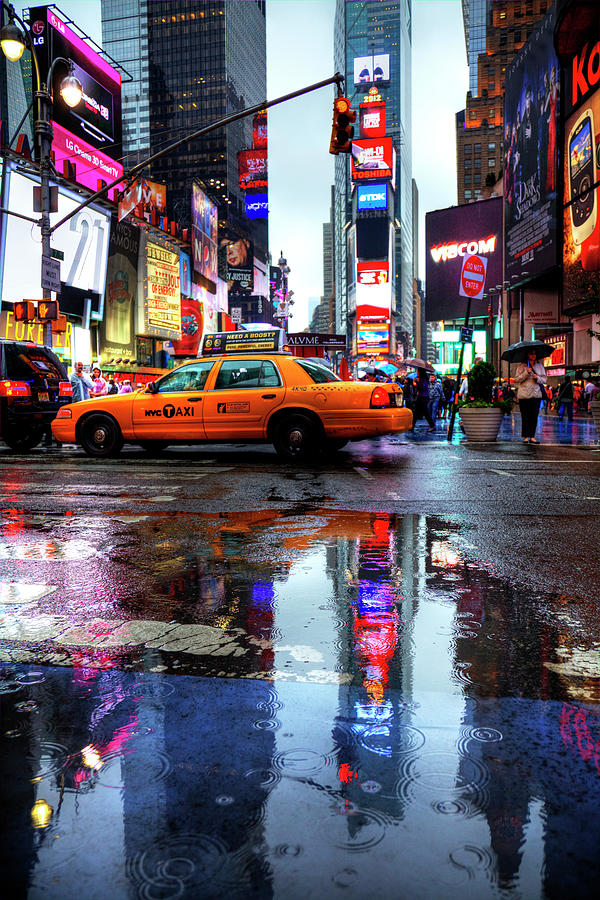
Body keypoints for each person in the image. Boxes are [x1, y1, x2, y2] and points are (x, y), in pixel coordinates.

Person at [514, 349, 547, 442]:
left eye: (535, 353)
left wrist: (538, 378)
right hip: (524, 395)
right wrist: (526, 373)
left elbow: (544, 380)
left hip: (536, 395)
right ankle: (526, 436)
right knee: (525, 416)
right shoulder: (522, 366)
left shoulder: (540, 366)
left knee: (534, 416)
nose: (533, 355)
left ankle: (532, 436)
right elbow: (517, 379)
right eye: (531, 354)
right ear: (527, 355)